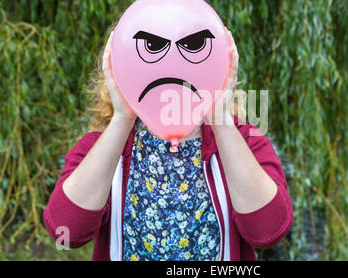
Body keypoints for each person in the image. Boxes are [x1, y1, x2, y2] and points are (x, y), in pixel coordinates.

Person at [43, 26, 293, 261]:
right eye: (153, 50)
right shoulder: (102, 147)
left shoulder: (244, 141)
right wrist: (123, 117)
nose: (172, 66)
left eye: (191, 49)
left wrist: (219, 117)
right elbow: (67, 231)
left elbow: (268, 231)